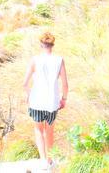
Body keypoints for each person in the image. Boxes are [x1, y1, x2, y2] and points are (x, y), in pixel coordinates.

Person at [23, 31, 68, 168]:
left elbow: (24, 83)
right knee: (50, 131)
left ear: (41, 44)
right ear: (52, 45)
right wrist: (64, 99)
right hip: (52, 102)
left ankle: (43, 161)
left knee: (38, 130)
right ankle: (50, 160)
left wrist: (28, 95)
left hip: (36, 101)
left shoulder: (35, 60)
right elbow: (65, 84)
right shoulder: (59, 60)